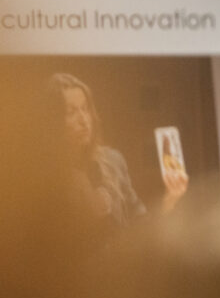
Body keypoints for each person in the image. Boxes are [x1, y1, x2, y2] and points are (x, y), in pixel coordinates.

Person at [47, 72, 188, 229]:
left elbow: (140, 225)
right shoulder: (47, 177)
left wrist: (170, 200)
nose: (84, 120)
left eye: (85, 108)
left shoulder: (113, 161)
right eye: (71, 112)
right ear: (55, 121)